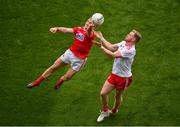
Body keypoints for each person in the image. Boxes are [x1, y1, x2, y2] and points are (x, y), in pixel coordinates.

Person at [27, 17, 100, 89]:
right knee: (53, 67)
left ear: (94, 26)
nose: (88, 23)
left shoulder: (92, 34)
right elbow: (66, 30)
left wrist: (90, 28)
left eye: (91, 23)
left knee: (68, 77)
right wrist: (57, 29)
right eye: (88, 21)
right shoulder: (78, 29)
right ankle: (37, 82)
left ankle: (62, 79)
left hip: (79, 60)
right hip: (70, 53)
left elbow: (88, 33)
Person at [95, 30, 141, 122]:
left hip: (124, 78)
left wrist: (101, 47)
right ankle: (105, 111)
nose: (127, 34)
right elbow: (111, 47)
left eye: (130, 35)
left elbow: (113, 55)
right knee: (103, 93)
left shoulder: (130, 50)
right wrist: (101, 38)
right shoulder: (124, 43)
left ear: (133, 39)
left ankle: (114, 110)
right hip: (114, 74)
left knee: (117, 95)